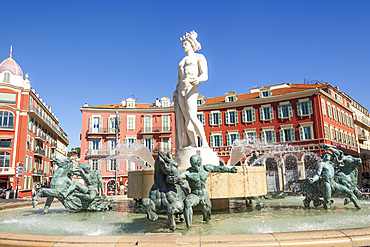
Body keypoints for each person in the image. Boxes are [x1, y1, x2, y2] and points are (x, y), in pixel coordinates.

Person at [179, 155, 237, 228]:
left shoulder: (206, 168)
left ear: (200, 163)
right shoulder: (188, 172)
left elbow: (218, 168)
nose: (195, 167)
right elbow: (179, 176)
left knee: (207, 215)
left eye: (196, 165)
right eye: (193, 165)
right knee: (187, 202)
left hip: (204, 195)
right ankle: (188, 226)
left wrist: (230, 170)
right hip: (195, 194)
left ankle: (208, 226)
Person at [174, 30, 209, 149]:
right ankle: (193, 143)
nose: (183, 46)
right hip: (181, 89)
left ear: (191, 44)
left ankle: (204, 143)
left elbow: (205, 75)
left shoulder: (199, 57)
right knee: (185, 117)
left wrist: (198, 79)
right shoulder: (181, 62)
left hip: (191, 87)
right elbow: (179, 78)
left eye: (186, 44)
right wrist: (176, 90)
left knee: (192, 115)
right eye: (182, 44)